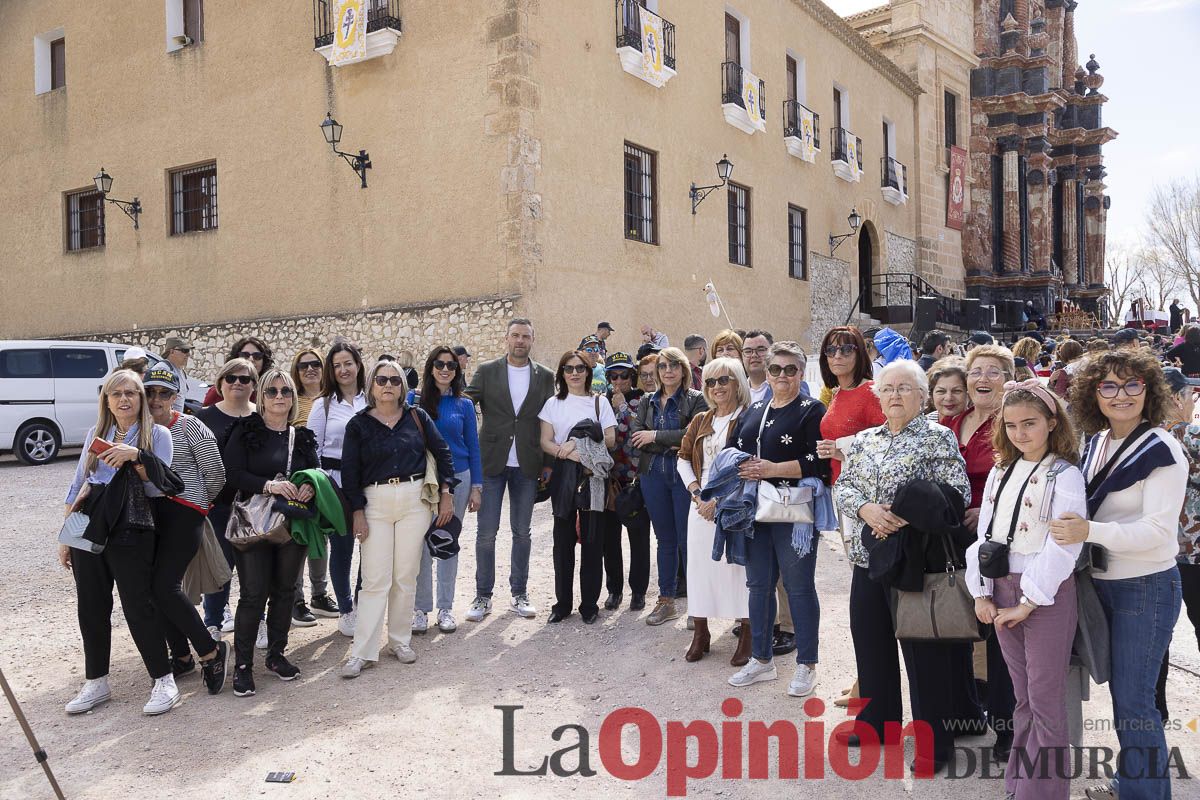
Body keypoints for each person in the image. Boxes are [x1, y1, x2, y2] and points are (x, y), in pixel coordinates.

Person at [834, 359, 976, 774]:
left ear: (920, 395)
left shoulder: (936, 437)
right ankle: (878, 725)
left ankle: (935, 746)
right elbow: (845, 485)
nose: (895, 395)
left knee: (923, 652)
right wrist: (865, 508)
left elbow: (957, 492)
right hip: (868, 558)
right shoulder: (862, 440)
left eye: (904, 388)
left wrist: (899, 512)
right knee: (871, 644)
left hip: (917, 560)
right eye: (888, 388)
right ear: (877, 395)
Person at [1058, 349, 1187, 800]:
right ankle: (1132, 782)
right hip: (1101, 584)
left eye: (1132, 384)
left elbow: (1156, 532)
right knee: (1125, 698)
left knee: (1136, 702)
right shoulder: (1095, 443)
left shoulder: (1164, 448)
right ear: (1095, 393)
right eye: (1109, 386)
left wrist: (1088, 530)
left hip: (1146, 587)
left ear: (1148, 390)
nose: (1121, 395)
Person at [966, 379, 1086, 800]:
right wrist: (981, 591)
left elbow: (1063, 544)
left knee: (1046, 700)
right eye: (1012, 424)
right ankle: (1020, 785)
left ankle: (1046, 792)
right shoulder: (1001, 470)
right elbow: (983, 536)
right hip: (1000, 589)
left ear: (1052, 423)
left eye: (1030, 423)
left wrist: (1030, 600)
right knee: (1022, 698)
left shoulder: (1065, 474)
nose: (1020, 433)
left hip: (1045, 594)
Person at [60, 370, 178, 716]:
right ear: (106, 401)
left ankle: (163, 678)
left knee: (138, 603)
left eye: (131, 393)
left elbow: (161, 488)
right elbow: (79, 483)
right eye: (116, 394)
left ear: (141, 399)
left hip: (133, 522)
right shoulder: (95, 434)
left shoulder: (158, 434)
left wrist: (136, 458)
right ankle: (96, 680)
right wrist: (65, 535)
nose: (124, 399)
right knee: (91, 605)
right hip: (90, 520)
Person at [339, 360, 456, 677]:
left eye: (394, 380)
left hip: (413, 499)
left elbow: (442, 453)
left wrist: (447, 492)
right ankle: (363, 650)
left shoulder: (417, 417)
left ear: (403, 387)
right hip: (374, 501)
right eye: (381, 380)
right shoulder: (358, 425)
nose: (387, 385)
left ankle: (400, 641)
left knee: (406, 575)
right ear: (372, 386)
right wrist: (357, 512)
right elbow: (349, 474)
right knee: (375, 579)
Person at [727, 342, 828, 699]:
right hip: (755, 512)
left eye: (790, 369)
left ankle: (807, 665)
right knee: (758, 586)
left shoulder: (812, 410)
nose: (782, 376)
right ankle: (762, 658)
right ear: (766, 373)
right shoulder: (753, 409)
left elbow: (821, 463)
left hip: (793, 511)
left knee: (799, 587)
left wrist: (772, 469)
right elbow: (734, 452)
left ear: (801, 373)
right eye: (776, 369)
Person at [221, 368, 318, 696]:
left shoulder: (301, 437)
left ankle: (276, 654)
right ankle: (243, 665)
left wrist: (308, 490)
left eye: (286, 391)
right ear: (260, 396)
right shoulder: (247, 430)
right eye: (272, 391)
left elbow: (314, 475)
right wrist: (268, 485)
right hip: (253, 523)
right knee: (253, 593)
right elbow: (231, 474)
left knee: (285, 590)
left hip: (291, 523)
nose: (279, 397)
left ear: (293, 398)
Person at [944, 343, 1018, 758]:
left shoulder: (1014, 423)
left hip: (998, 542)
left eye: (993, 372)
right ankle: (966, 712)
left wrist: (985, 513)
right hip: (952, 539)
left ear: (1008, 380)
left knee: (999, 634)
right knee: (956, 626)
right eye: (976, 372)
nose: (982, 379)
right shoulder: (949, 422)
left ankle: (1007, 727)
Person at [142, 364, 229, 695]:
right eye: (149, 392)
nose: (156, 399)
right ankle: (180, 655)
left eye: (163, 393)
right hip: (152, 516)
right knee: (153, 588)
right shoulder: (139, 431)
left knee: (164, 585)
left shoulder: (192, 426)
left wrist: (198, 507)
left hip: (185, 511)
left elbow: (216, 474)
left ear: (175, 397)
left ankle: (210, 650)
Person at [464, 319, 556, 621]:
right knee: (486, 533)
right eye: (515, 336)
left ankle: (519, 593)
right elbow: (466, 402)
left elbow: (549, 421)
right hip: (491, 461)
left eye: (525, 336)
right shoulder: (487, 371)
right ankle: (483, 596)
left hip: (527, 463)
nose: (520, 341)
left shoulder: (545, 376)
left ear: (533, 339)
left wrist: (548, 462)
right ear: (506, 338)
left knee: (522, 532)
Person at [677, 357, 752, 664]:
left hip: (734, 504)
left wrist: (719, 502)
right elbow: (683, 458)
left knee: (738, 569)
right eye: (710, 382)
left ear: (738, 382)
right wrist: (697, 495)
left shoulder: (748, 418)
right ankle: (701, 632)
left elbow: (748, 465)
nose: (717, 387)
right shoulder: (701, 420)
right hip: (700, 506)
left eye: (724, 380)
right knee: (699, 570)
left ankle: (747, 632)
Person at [631, 347, 708, 626]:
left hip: (684, 476)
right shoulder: (646, 401)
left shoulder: (696, 399)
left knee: (688, 540)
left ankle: (698, 607)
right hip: (653, 474)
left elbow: (695, 434)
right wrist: (669, 440)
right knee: (664, 540)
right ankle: (667, 601)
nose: (668, 371)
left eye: (674, 365)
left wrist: (655, 436)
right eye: (663, 366)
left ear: (684, 370)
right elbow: (634, 437)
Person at [409, 346, 483, 634]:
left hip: (460, 478)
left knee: (446, 541)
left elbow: (473, 447)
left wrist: (477, 487)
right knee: (421, 545)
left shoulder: (464, 404)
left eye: (451, 365)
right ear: (430, 368)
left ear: (457, 370)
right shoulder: (415, 401)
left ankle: (445, 608)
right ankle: (420, 608)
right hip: (424, 479)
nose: (445, 369)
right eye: (439, 364)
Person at [539, 351, 617, 624]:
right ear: (561, 372)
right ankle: (562, 604)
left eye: (580, 368)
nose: (574, 373)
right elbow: (545, 441)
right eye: (569, 368)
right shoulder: (553, 403)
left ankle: (589, 605)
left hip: (591, 474)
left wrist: (578, 445)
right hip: (564, 473)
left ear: (588, 371)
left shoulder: (599, 403)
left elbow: (609, 439)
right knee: (562, 542)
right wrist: (566, 452)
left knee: (593, 540)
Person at [304, 341, 368, 632]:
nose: (343, 370)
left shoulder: (373, 398)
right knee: (342, 549)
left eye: (348, 363)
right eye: (337, 365)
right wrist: (320, 487)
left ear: (358, 364)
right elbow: (312, 450)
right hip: (336, 483)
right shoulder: (323, 405)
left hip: (370, 482)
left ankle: (362, 602)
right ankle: (346, 609)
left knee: (372, 547)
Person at [195, 358, 259, 636]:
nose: (237, 383)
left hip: (256, 506)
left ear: (254, 385)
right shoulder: (204, 417)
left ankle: (258, 622)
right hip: (217, 506)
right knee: (219, 568)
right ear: (220, 382)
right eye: (231, 378)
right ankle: (213, 623)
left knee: (256, 570)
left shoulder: (262, 415)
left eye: (244, 379)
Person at [1159, 367, 1200, 725]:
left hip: (1159, 554)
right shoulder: (1191, 434)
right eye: (1189, 397)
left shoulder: (1146, 438)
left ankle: (1156, 715)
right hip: (1195, 553)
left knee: (1157, 642)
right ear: (1175, 398)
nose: (1191, 404)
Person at [602, 351, 651, 611]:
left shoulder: (643, 400)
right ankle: (614, 589)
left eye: (623, 375)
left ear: (632, 376)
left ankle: (639, 591)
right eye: (613, 375)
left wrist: (622, 406)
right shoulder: (600, 402)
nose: (618, 380)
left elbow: (638, 434)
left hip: (635, 479)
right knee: (610, 540)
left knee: (638, 538)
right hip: (611, 480)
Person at [814, 327, 885, 485]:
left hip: (863, 489)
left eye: (846, 349)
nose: (837, 356)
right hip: (836, 487)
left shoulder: (872, 392)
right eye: (830, 350)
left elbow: (887, 440)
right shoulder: (837, 393)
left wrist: (841, 447)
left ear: (859, 354)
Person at [202, 337, 272, 406]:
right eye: (245, 355)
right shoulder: (218, 392)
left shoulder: (273, 392)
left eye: (257, 355)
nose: (251, 359)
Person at [927, 358, 969, 422]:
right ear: (931, 394)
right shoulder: (921, 427)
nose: (949, 398)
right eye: (941, 391)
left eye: (956, 391)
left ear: (968, 392)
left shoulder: (983, 427)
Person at [290, 349, 324, 427]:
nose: (310, 369)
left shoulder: (335, 398)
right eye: (303, 366)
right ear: (296, 372)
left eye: (315, 364)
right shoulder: (291, 402)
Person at [742, 330, 774, 405]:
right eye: (748, 351)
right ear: (742, 356)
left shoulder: (782, 387)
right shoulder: (736, 392)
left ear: (772, 353)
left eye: (760, 350)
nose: (754, 355)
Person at [161, 336, 192, 412]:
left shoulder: (180, 370)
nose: (188, 354)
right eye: (184, 350)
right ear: (172, 351)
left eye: (189, 351)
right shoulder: (163, 369)